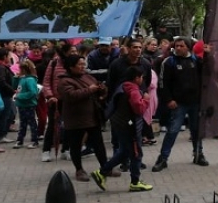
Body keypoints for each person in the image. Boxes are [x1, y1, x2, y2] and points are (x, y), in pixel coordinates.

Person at [92, 66, 153, 192]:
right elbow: (139, 109)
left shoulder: (124, 86)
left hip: (120, 123)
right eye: (141, 77)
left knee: (124, 152)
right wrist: (146, 100)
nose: (142, 79)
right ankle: (135, 182)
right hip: (130, 126)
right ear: (136, 78)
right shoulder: (133, 91)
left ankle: (102, 172)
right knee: (136, 153)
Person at [56, 54, 113, 182]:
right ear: (71, 67)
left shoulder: (88, 77)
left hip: (92, 117)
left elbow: (98, 89)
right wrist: (90, 90)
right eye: (80, 65)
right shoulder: (64, 81)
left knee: (98, 144)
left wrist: (101, 90)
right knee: (76, 145)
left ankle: (105, 167)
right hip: (75, 118)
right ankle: (79, 170)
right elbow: (71, 95)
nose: (83, 67)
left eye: (83, 64)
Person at [153, 36, 207, 172]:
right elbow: (162, 83)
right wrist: (168, 100)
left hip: (195, 102)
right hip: (178, 104)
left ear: (188, 47)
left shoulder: (196, 60)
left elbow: (208, 73)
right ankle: (163, 158)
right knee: (172, 130)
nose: (178, 48)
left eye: (181, 46)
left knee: (196, 130)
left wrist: (209, 55)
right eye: (176, 46)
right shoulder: (169, 62)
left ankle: (198, 154)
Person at [13, 59, 40, 148]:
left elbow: (33, 92)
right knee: (22, 123)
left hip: (29, 104)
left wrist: (20, 96)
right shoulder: (22, 78)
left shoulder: (30, 80)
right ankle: (20, 140)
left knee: (32, 123)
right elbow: (15, 87)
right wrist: (15, 78)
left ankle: (34, 140)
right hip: (21, 104)